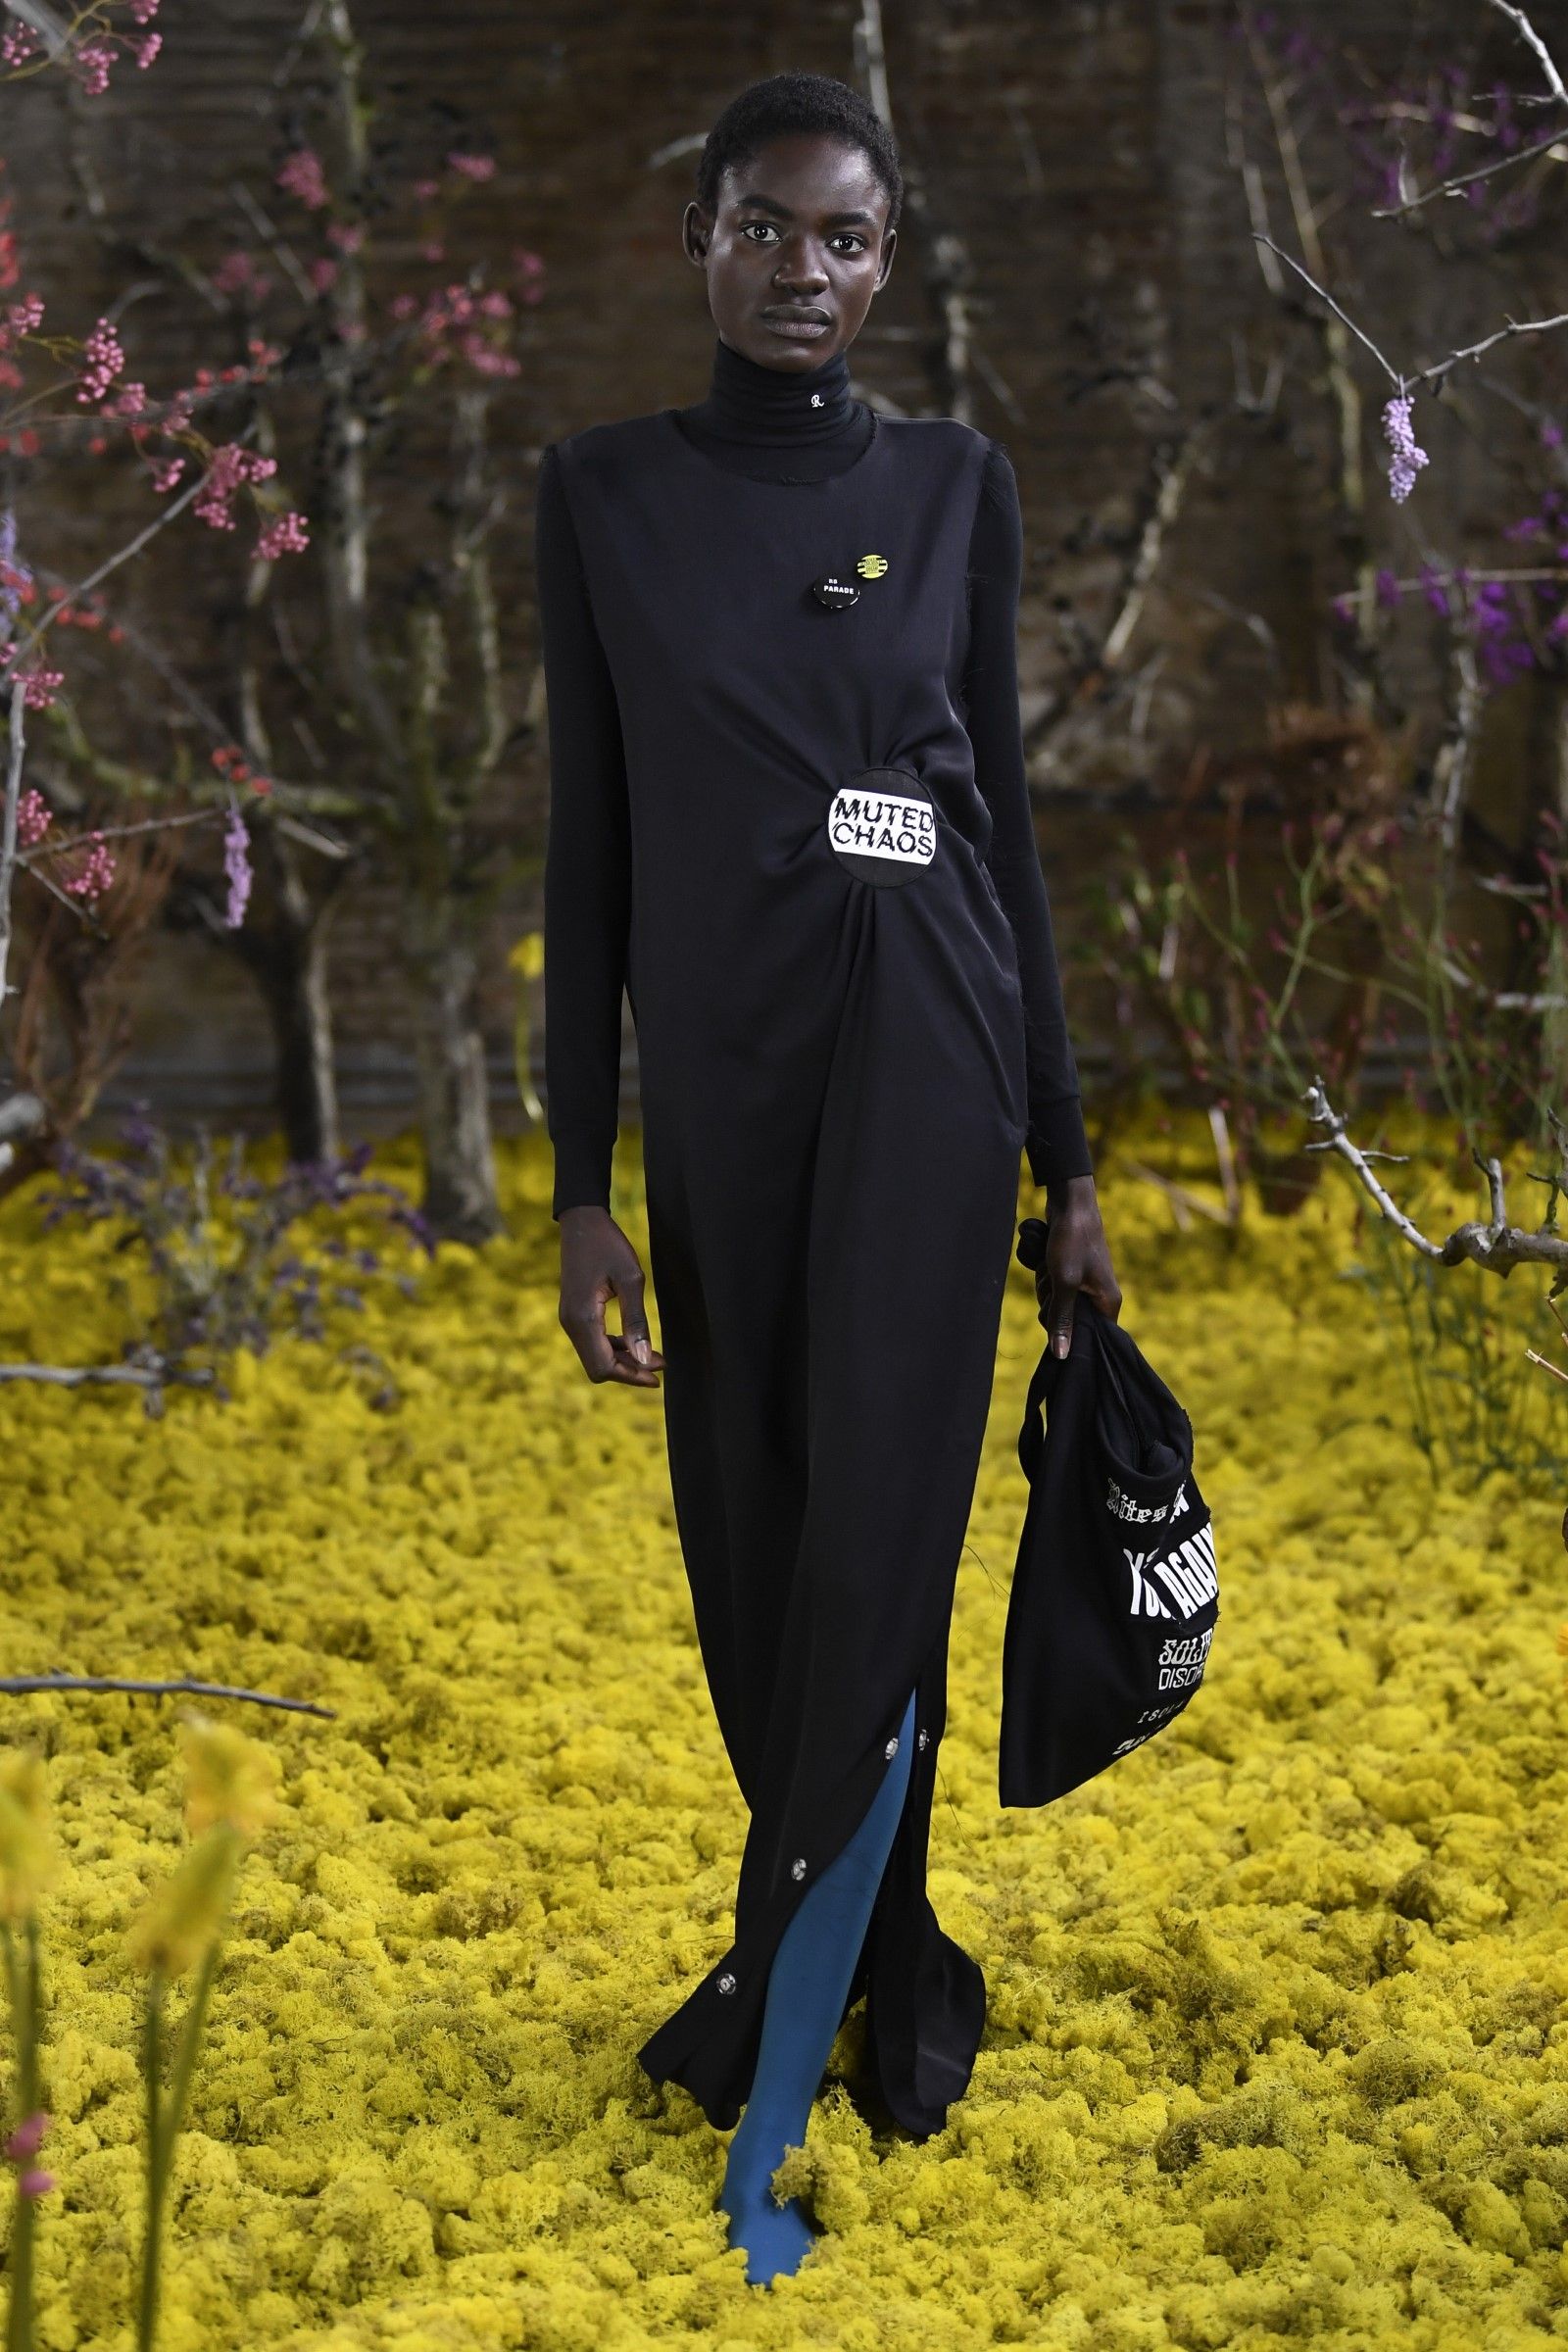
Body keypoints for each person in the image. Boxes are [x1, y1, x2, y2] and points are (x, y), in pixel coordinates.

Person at [535, 69, 1121, 2287]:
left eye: (845, 237)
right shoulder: (603, 496)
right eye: (766, 227)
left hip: (926, 1056)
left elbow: (1001, 832)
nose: (805, 270)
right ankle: (874, 1950)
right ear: (696, 235)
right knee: (753, 1541)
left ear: (888, 262)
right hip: (723, 1086)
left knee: (878, 1530)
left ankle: (811, 2036)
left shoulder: (954, 484)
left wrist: (1069, 1155)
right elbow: (589, 852)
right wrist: (575, 1182)